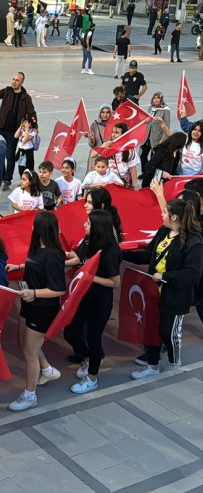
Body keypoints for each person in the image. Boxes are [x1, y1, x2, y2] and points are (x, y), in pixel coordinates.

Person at [125, 199, 203, 378]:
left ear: (174, 216)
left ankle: (174, 363)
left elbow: (192, 274)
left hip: (174, 296)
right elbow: (148, 255)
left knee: (168, 333)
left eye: (165, 212)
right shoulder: (163, 232)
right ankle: (152, 366)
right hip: (152, 292)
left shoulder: (193, 242)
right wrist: (121, 254)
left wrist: (165, 277)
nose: (162, 214)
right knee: (151, 330)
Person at [6, 212, 66, 411]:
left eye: (34, 225)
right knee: (23, 343)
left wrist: (32, 292)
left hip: (43, 309)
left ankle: (30, 394)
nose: (31, 228)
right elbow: (36, 266)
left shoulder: (53, 254)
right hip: (30, 304)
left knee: (30, 352)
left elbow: (58, 289)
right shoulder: (37, 249)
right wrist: (19, 266)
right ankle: (47, 369)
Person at [62, 210, 121, 394]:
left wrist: (90, 278)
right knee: (70, 332)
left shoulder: (111, 251)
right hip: (83, 296)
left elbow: (115, 282)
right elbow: (79, 260)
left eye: (88, 223)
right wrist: (57, 259)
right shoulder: (88, 242)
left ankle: (92, 378)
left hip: (100, 301)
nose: (84, 226)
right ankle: (89, 357)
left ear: (97, 228)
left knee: (94, 339)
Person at [0, 73, 37, 191]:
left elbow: (32, 113)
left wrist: (35, 128)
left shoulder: (26, 97)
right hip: (2, 129)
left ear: (22, 82)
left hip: (14, 133)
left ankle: (7, 179)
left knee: (10, 156)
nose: (14, 82)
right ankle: (0, 175)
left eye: (17, 80)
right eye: (13, 79)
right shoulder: (7, 91)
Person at [140, 92, 171, 171]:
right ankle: (144, 172)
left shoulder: (165, 110)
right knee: (142, 155)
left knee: (153, 157)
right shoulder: (151, 107)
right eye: (155, 98)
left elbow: (167, 126)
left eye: (158, 98)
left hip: (157, 137)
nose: (156, 100)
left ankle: (150, 173)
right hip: (147, 136)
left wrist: (163, 139)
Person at [84, 104, 113, 171]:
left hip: (109, 155)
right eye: (103, 112)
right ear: (100, 113)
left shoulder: (113, 124)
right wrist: (91, 138)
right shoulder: (95, 124)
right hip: (96, 154)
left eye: (107, 112)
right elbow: (91, 144)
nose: (105, 115)